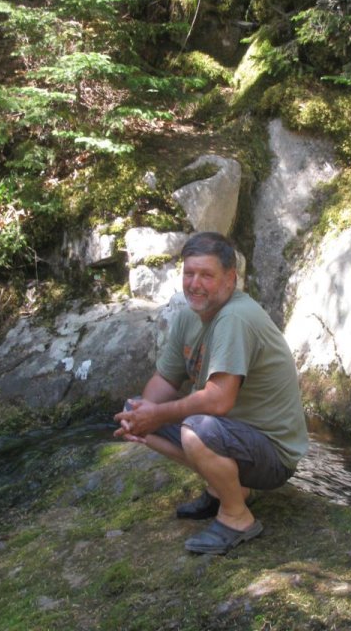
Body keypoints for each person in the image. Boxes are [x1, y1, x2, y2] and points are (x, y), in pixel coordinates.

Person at [113, 231, 308, 555]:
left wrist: (157, 415)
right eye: (189, 273)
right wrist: (141, 414)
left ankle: (237, 517)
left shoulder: (235, 317)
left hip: (273, 453)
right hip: (234, 435)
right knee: (134, 408)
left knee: (196, 430)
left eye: (206, 275)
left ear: (230, 279)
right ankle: (226, 489)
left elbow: (218, 400)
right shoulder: (189, 316)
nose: (195, 284)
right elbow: (165, 379)